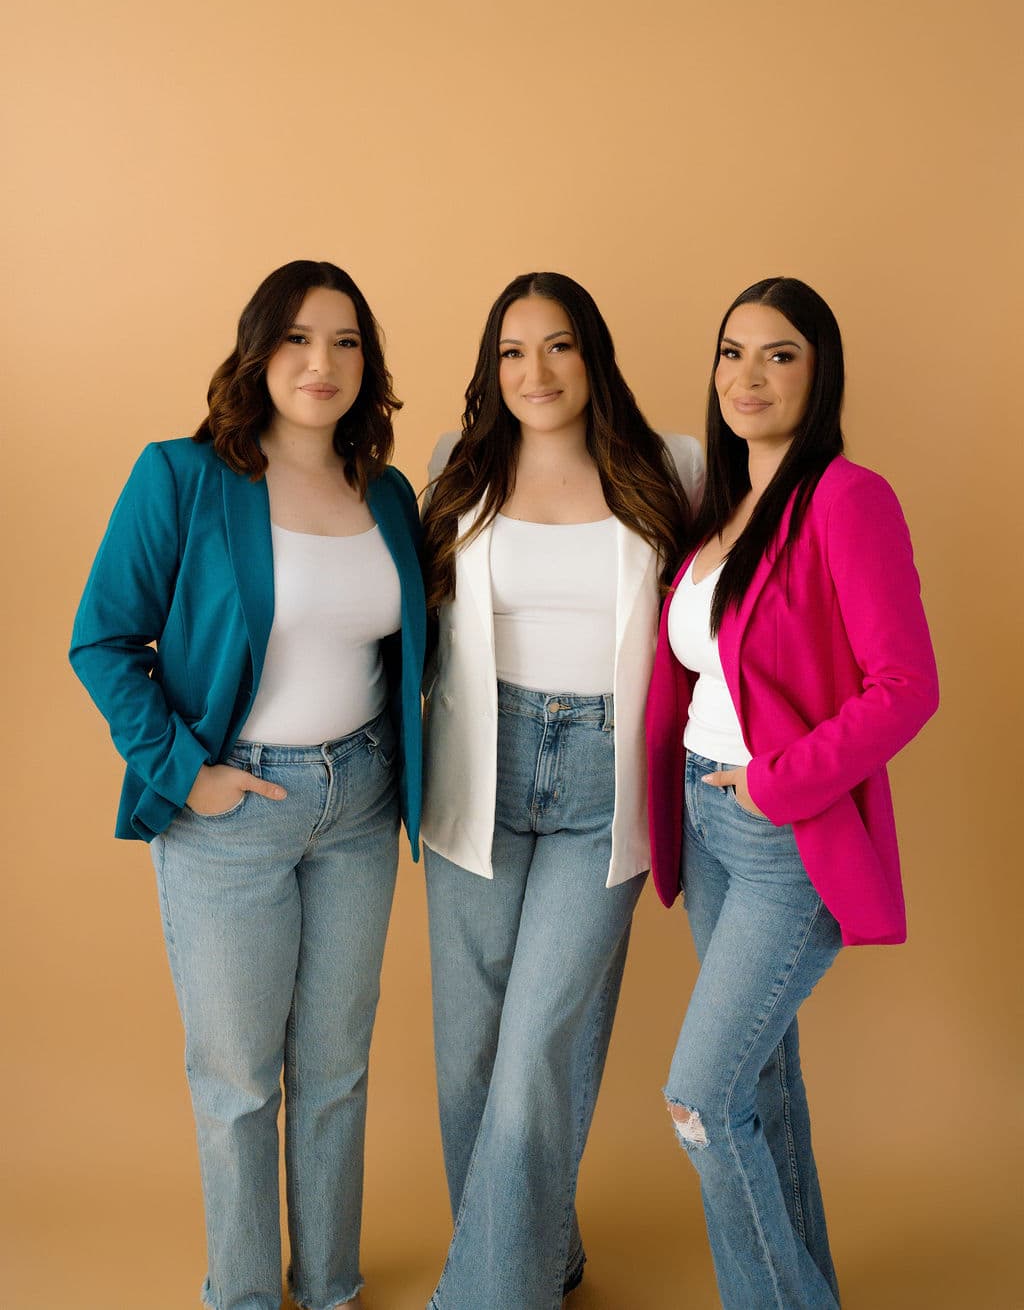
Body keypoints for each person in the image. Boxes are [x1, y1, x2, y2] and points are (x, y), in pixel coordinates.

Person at [70, 260, 426, 1310]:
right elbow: (101, 639)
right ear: (258, 349)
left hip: (359, 801)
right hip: (232, 814)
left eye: (347, 341)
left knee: (336, 1070)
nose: (323, 362)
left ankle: (329, 1287)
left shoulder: (389, 493)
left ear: (369, 362)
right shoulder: (182, 474)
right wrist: (189, 773)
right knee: (236, 1082)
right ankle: (241, 1293)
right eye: (299, 338)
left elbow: (411, 657)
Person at [646, 276, 939, 1308]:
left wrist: (777, 782)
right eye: (732, 351)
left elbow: (905, 686)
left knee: (698, 1097)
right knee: (758, 1088)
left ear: (820, 374)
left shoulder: (848, 499)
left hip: (781, 829)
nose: (748, 375)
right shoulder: (718, 509)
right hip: (705, 814)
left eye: (779, 354)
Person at [420, 270, 703, 1309]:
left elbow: (739, 596)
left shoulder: (668, 463)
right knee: (469, 1061)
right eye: (511, 351)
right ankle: (539, 1251)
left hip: (604, 772)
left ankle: (489, 1293)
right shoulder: (456, 466)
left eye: (557, 346)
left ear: (593, 355)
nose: (533, 371)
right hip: (477, 769)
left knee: (539, 1041)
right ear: (490, 370)